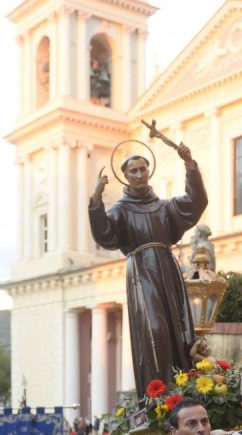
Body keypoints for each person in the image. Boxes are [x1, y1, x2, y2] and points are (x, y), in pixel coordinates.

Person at [89, 141, 207, 393]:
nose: (140, 174)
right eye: (134, 171)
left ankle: (181, 384)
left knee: (179, 326)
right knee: (154, 328)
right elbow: (105, 234)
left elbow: (195, 202)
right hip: (142, 273)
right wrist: (97, 198)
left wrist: (189, 165)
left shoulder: (163, 207)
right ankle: (158, 392)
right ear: (125, 177)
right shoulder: (121, 210)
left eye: (143, 169)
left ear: (149, 172)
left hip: (168, 269)